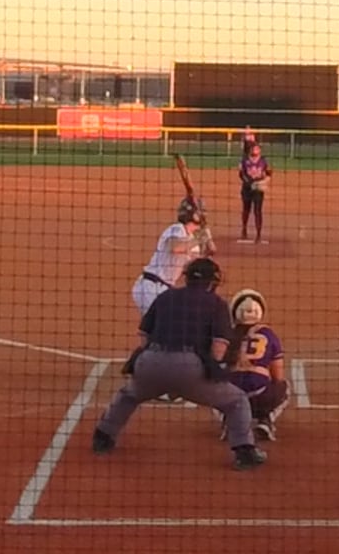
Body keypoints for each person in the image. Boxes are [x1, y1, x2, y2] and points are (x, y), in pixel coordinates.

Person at [91, 258, 266, 471]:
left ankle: (103, 437)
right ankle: (245, 452)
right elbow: (218, 349)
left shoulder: (165, 296)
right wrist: (209, 371)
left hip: (151, 363)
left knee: (129, 395)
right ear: (213, 281)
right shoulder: (217, 304)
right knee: (237, 400)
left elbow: (144, 337)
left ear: (187, 277)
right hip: (189, 368)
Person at [224, 289, 289, 442]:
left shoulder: (226, 334)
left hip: (230, 397)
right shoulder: (268, 334)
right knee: (284, 387)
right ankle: (265, 420)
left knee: (214, 383)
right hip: (259, 395)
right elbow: (278, 376)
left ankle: (229, 420)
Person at [131, 197, 213, 315]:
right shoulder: (177, 229)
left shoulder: (192, 241)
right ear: (194, 216)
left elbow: (193, 266)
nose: (204, 216)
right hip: (151, 286)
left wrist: (207, 248)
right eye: (202, 212)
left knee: (167, 323)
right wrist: (200, 239)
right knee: (166, 323)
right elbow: (175, 247)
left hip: (162, 289)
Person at [237, 140, 273, 244]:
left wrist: (262, 182)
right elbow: (241, 174)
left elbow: (269, 174)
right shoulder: (244, 160)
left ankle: (258, 234)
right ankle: (244, 229)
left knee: (258, 211)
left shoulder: (264, 161)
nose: (257, 150)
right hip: (247, 188)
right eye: (255, 148)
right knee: (246, 209)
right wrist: (249, 183)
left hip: (258, 189)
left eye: (258, 148)